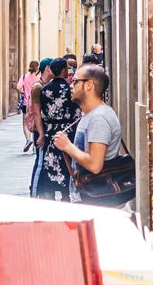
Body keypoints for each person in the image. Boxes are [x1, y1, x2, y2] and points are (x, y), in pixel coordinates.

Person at [54, 66, 129, 205]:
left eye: (75, 81)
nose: (71, 85)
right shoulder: (92, 114)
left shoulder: (99, 118)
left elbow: (95, 165)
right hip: (92, 197)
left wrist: (67, 146)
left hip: (97, 201)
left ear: (89, 85)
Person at [32, 59, 80, 200]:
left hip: (51, 131)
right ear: (64, 70)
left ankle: (50, 194)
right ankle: (66, 195)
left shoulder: (45, 90)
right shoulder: (70, 89)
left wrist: (42, 133)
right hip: (68, 131)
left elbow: (40, 113)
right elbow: (77, 113)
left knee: (51, 163)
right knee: (67, 162)